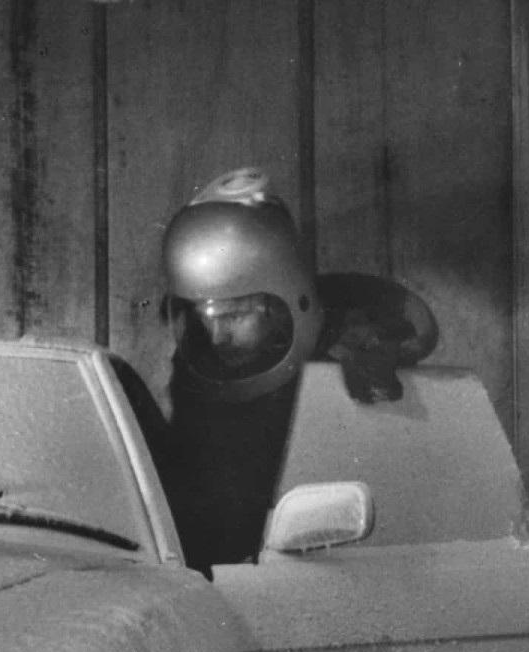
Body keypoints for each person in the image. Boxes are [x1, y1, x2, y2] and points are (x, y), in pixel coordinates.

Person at [148, 167, 438, 571]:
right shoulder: (197, 362)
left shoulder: (350, 343)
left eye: (235, 316)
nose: (217, 336)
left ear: (277, 305)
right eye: (203, 316)